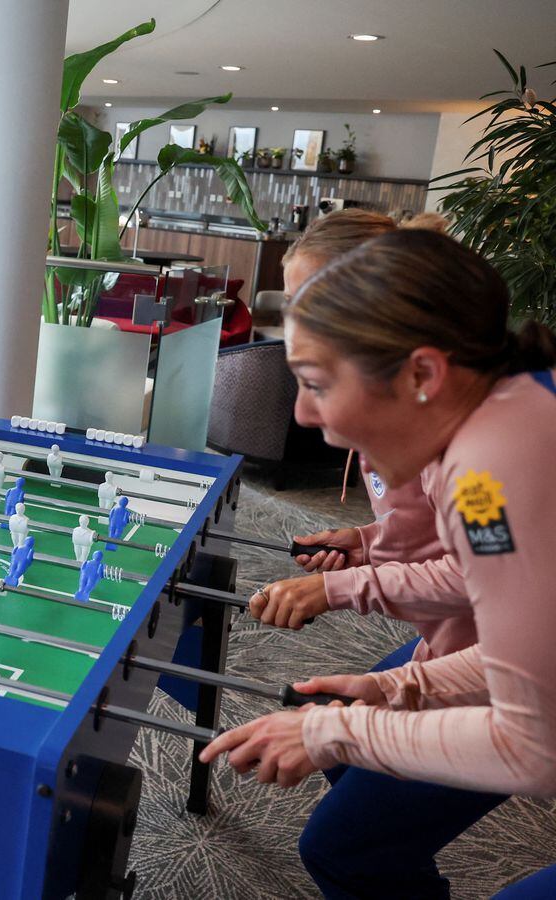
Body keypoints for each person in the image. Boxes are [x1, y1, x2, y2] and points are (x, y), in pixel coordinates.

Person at [201, 230, 556, 898]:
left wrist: (336, 728)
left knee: (347, 842)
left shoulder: (484, 480)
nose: (304, 414)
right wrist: (400, 690)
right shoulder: (511, 412)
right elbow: (530, 651)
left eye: (316, 383)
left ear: (423, 374)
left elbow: (533, 746)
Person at [251, 210, 475, 666]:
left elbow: (482, 575)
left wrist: (341, 588)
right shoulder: (393, 399)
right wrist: (369, 542)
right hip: (450, 645)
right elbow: (435, 529)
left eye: (312, 303)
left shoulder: (470, 446)